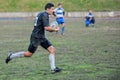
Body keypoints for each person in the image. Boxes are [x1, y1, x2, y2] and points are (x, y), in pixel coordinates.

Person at [5, 3, 62, 74]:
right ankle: (11, 56)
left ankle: (53, 68)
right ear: (47, 9)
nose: (53, 10)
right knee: (29, 54)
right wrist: (55, 29)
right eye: (52, 9)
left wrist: (54, 14)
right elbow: (47, 28)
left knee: (52, 49)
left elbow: (47, 22)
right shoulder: (45, 15)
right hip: (36, 37)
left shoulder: (42, 13)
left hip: (41, 37)